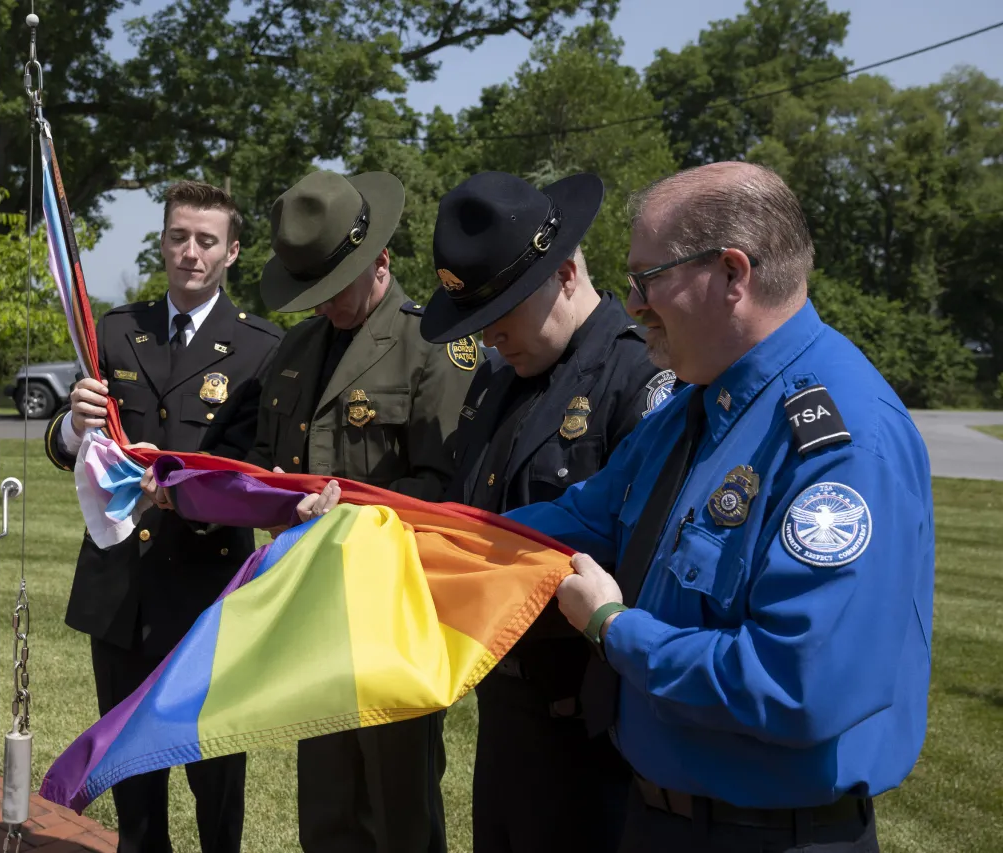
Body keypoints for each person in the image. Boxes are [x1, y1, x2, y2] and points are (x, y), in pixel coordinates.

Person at [501, 161, 933, 853]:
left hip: (769, 835)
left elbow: (798, 683)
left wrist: (615, 628)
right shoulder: (695, 408)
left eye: (648, 278)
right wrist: (398, 530)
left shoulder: (841, 441)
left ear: (733, 274)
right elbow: (580, 519)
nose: (633, 301)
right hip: (658, 820)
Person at [418, 170, 671, 853]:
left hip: (589, 727)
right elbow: (468, 515)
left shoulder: (640, 380)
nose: (492, 339)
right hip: (505, 708)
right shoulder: (500, 377)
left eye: (501, 321)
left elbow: (641, 557)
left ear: (564, 273)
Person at [42, 180, 283, 853]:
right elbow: (71, 448)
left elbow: (254, 466)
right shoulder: (115, 332)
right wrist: (70, 426)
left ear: (232, 251)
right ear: (162, 241)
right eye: (179, 236)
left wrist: (180, 492)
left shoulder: (262, 348)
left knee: (216, 779)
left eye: (207, 240)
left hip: (210, 594)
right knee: (134, 790)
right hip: (121, 590)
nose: (191, 252)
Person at [247, 168, 478, 853]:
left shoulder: (432, 347)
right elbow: (267, 456)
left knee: (399, 804)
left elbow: (450, 486)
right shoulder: (295, 350)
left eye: (330, 290)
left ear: (379, 260)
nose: (319, 306)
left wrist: (351, 513)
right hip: (314, 607)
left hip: (392, 611)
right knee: (325, 804)